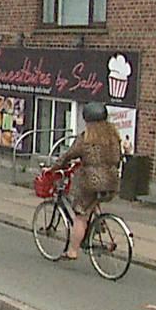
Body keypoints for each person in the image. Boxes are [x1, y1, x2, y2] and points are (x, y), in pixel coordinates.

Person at [52, 101, 124, 261]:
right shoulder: (114, 138)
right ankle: (98, 224)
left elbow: (68, 155)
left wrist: (54, 168)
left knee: (80, 215)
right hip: (112, 181)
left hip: (92, 183)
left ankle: (72, 251)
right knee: (93, 201)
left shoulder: (86, 139)